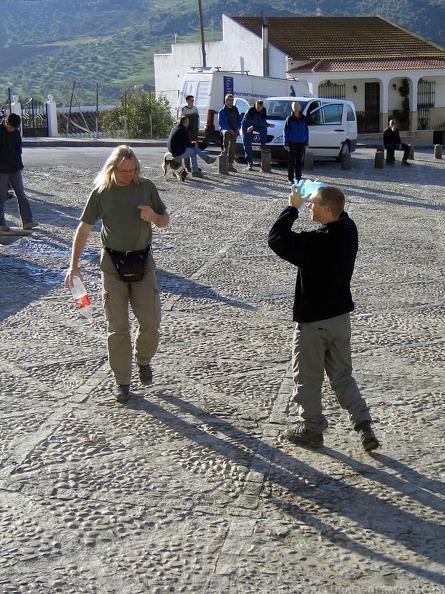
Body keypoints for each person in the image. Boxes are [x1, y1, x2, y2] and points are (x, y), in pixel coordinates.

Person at [268, 184, 380, 453]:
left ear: (327, 209)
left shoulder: (316, 243)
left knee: (307, 376)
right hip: (340, 319)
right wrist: (316, 191)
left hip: (314, 323)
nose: (309, 206)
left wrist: (292, 208)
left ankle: (311, 429)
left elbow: (276, 238)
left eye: (314, 203)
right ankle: (364, 425)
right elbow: (341, 209)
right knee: (343, 376)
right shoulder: (349, 230)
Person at [65, 145, 170, 404]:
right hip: (112, 264)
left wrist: (154, 217)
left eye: (131, 170)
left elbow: (165, 219)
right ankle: (122, 381)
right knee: (118, 326)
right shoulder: (102, 193)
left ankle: (143, 360)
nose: (127, 175)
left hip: (143, 262)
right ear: (112, 169)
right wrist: (73, 265)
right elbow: (84, 228)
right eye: (122, 171)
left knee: (150, 322)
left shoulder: (145, 186)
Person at [0, 113, 38, 232]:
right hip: (1, 170)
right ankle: (1, 223)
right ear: (6, 122)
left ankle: (27, 221)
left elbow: (18, 150)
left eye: (14, 128)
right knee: (1, 197)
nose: (12, 129)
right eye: (11, 127)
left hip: (15, 169)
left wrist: (20, 165)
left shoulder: (16, 132)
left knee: (22, 195)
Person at [241, 100, 275, 170]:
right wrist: (268, 125)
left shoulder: (264, 110)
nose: (258, 109)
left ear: (262, 107)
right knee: (247, 143)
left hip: (255, 124)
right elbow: (255, 121)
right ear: (255, 105)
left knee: (264, 128)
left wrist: (266, 125)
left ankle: (263, 144)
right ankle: (249, 162)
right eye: (257, 107)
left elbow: (262, 121)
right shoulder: (251, 110)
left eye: (259, 108)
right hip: (247, 124)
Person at [284, 102, 309, 186]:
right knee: (291, 162)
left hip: (301, 143)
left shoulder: (304, 118)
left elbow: (306, 132)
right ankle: (290, 178)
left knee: (299, 161)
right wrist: (286, 144)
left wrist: (306, 143)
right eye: (294, 106)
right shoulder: (289, 119)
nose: (296, 107)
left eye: (297, 106)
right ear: (292, 108)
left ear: (299, 108)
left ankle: (298, 177)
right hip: (292, 143)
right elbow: (285, 132)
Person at [218, 94, 242, 172]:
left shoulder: (235, 109)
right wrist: (228, 129)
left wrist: (238, 128)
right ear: (226, 101)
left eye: (232, 100)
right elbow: (221, 123)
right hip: (226, 129)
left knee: (232, 147)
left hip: (234, 130)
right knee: (226, 133)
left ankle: (230, 164)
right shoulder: (222, 111)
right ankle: (225, 149)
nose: (231, 102)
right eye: (230, 100)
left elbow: (239, 120)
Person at [180, 95, 200, 173]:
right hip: (187, 131)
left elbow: (198, 119)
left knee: (195, 148)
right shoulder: (184, 110)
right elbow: (181, 121)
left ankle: (195, 166)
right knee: (187, 148)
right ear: (187, 101)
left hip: (194, 131)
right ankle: (187, 166)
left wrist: (197, 128)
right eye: (191, 100)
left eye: (193, 100)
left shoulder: (195, 109)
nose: (192, 102)